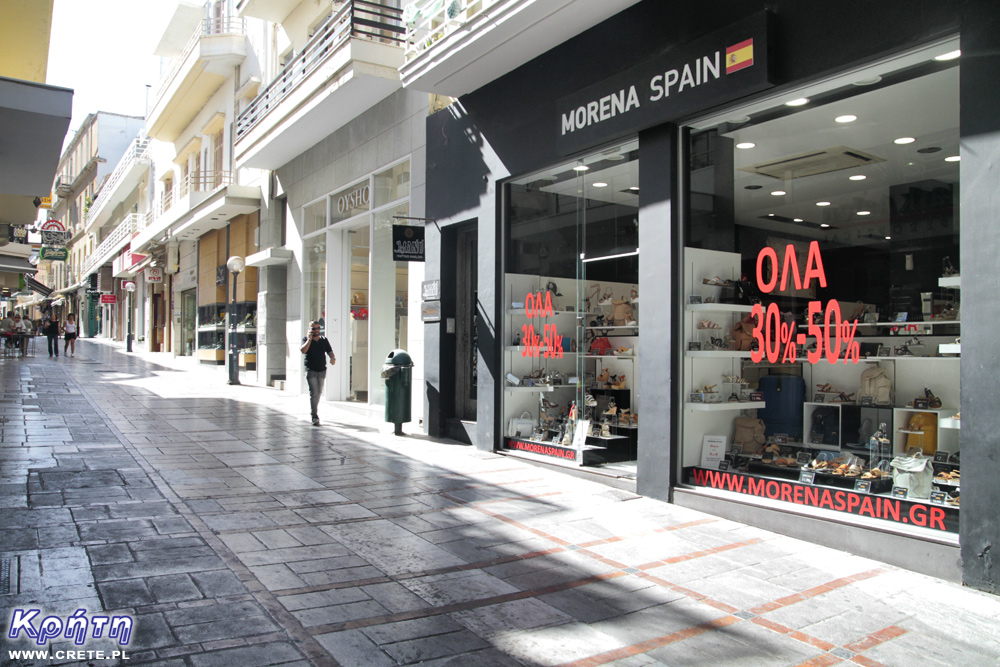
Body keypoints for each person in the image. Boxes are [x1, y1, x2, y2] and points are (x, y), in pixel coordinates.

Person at [300, 320, 335, 426]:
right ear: (309, 329)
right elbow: (303, 350)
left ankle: (315, 412)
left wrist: (332, 358)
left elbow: (329, 351)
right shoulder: (305, 339)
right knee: (314, 393)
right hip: (311, 370)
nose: (316, 330)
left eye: (317, 328)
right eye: (313, 328)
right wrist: (309, 340)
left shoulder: (324, 340)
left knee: (318, 393)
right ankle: (314, 416)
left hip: (322, 370)